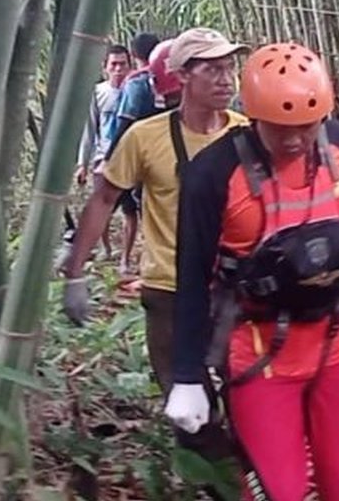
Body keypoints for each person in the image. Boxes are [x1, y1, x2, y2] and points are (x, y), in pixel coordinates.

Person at [166, 42, 339, 501]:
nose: (297, 139)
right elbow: (192, 278)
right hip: (260, 351)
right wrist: (188, 374)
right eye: (283, 129)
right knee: (278, 491)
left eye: (307, 125)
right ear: (254, 115)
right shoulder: (213, 173)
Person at [60, 28, 250, 460]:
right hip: (169, 287)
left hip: (234, 286)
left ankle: (249, 478)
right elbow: (105, 198)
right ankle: (216, 481)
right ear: (181, 76)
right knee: (189, 411)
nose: (226, 79)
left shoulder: (246, 135)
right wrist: (75, 272)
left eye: (229, 68)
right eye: (212, 69)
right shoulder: (145, 138)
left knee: (250, 395)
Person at [75, 44, 131, 258]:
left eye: (123, 65)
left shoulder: (134, 90)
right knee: (102, 206)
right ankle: (105, 249)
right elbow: (89, 129)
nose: (118, 69)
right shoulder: (97, 92)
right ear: (105, 67)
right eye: (113, 65)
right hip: (103, 157)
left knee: (131, 210)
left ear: (130, 65)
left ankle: (126, 255)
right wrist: (83, 164)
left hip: (132, 156)